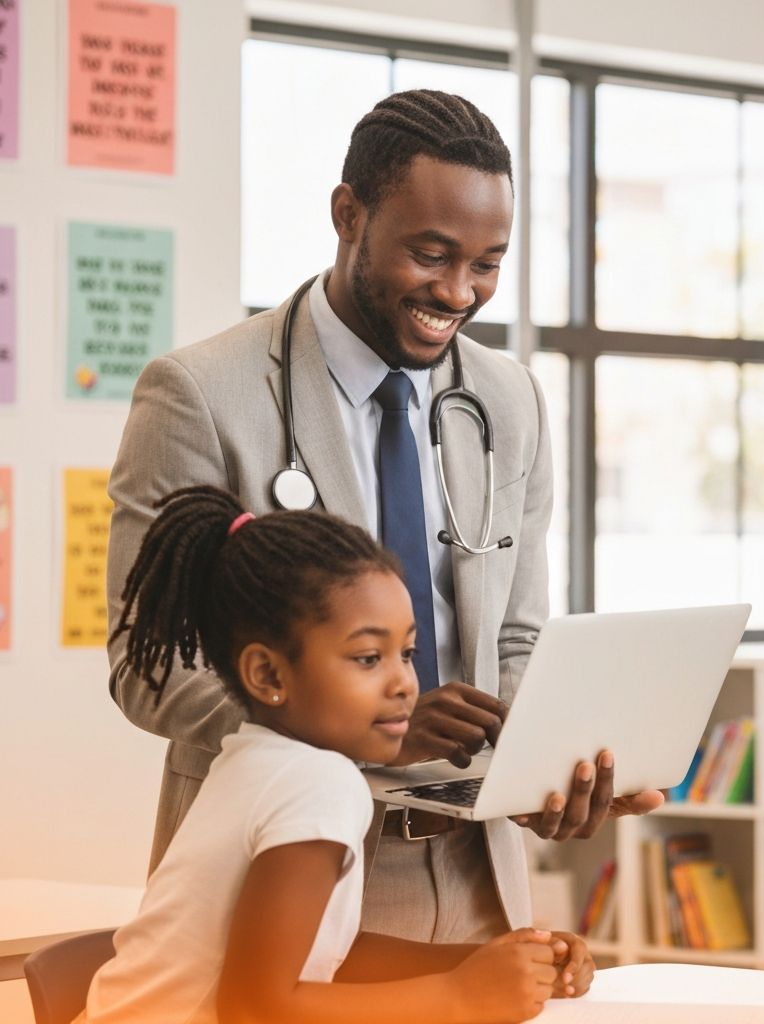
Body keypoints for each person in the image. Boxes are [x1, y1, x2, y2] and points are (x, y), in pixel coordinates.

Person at [106, 88, 662, 943]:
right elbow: (150, 667)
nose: (459, 290)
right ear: (348, 214)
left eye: (487, 263)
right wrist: (371, 735)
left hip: (477, 875)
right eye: (431, 254)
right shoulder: (202, 395)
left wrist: (543, 770)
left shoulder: (510, 401)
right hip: (278, 863)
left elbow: (516, 637)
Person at [81, 485, 592, 1023]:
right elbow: (256, 1009)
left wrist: (489, 963)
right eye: (369, 657)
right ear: (268, 674)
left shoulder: (259, 758)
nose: (404, 683)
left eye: (408, 652)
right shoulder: (320, 784)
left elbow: (328, 955)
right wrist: (460, 997)